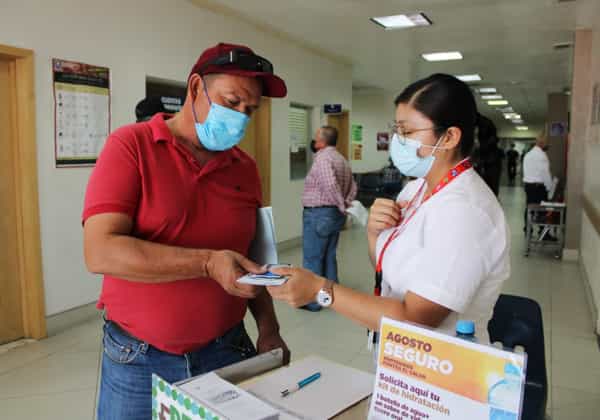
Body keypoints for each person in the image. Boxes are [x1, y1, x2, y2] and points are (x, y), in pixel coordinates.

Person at [83, 42, 290, 420]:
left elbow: (255, 259)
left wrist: (268, 327)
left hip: (226, 350)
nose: (241, 118)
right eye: (231, 103)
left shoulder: (245, 168)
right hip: (138, 357)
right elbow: (100, 251)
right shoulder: (130, 146)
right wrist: (208, 263)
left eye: (250, 110)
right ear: (195, 88)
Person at [268, 74, 510, 343]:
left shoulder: (465, 212)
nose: (398, 141)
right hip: (400, 361)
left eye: (407, 132)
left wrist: (321, 290)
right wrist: (375, 235)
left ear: (450, 137)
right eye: (397, 130)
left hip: (440, 370)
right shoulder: (415, 190)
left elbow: (416, 318)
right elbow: (390, 271)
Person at [301, 126, 357, 311]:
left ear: (322, 142)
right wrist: (345, 204)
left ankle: (312, 302)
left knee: (313, 258)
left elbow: (330, 185)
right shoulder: (341, 159)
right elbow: (353, 186)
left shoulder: (323, 159)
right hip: (332, 215)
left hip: (319, 215)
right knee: (329, 256)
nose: (314, 140)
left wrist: (341, 205)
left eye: (316, 137)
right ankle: (331, 297)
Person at [522, 135, 555, 231]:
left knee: (529, 207)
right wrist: (550, 188)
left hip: (529, 186)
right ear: (542, 144)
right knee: (542, 210)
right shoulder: (542, 155)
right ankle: (544, 233)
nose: (548, 145)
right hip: (538, 187)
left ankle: (528, 228)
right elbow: (545, 174)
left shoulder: (528, 154)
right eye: (547, 143)